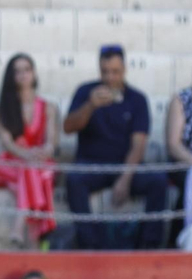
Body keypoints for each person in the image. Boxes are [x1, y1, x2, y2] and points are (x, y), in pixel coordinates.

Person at [62, 45, 166, 251]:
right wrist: (90, 105)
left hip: (125, 165)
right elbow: (68, 127)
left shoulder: (137, 99)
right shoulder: (85, 92)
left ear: (125, 69)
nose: (110, 77)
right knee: (73, 180)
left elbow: (139, 143)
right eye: (105, 72)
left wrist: (125, 179)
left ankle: (148, 246)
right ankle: (89, 245)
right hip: (92, 164)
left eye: (115, 72)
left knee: (159, 181)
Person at [0, 53, 56, 247]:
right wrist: (27, 155)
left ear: (34, 73)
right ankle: (36, 238)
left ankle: (19, 224)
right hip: (11, 163)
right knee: (31, 170)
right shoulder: (1, 108)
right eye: (17, 71)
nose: (23, 75)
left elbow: (51, 142)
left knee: (32, 171)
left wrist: (41, 152)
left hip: (40, 162)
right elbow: (7, 142)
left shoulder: (48, 107)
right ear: (11, 76)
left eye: (27, 69)